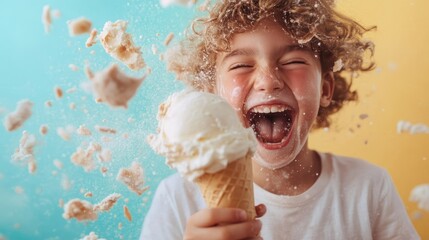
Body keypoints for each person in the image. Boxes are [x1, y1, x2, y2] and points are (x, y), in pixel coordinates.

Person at [141, 0, 420, 239]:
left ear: (325, 89)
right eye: (241, 65)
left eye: (293, 61)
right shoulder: (177, 199)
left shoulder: (368, 187)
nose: (268, 81)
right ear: (213, 96)